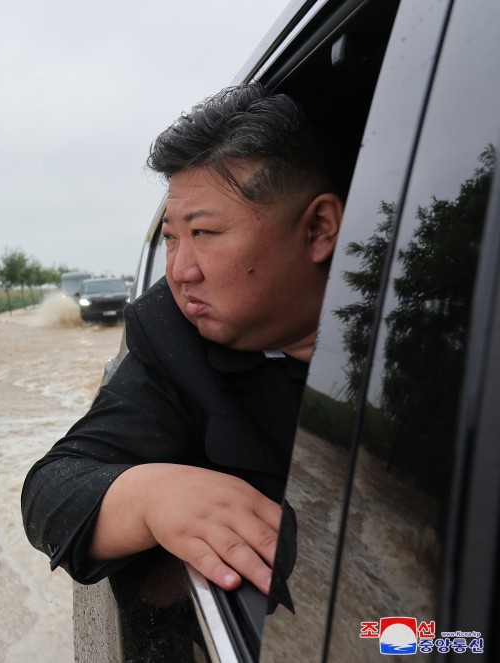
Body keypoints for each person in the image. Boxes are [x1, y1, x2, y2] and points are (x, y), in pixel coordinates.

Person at [21, 83, 345, 601]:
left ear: (318, 230)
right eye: (171, 237)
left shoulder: (434, 340)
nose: (179, 271)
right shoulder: (172, 336)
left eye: (205, 234)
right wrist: (150, 496)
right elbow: (51, 492)